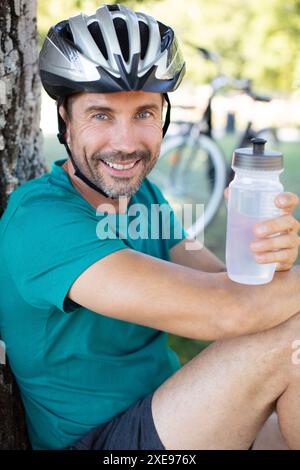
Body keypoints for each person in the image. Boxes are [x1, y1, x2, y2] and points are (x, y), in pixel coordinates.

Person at [0, 3, 300, 451]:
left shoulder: (143, 198)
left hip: (178, 415)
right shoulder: (40, 221)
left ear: (164, 115)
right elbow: (230, 311)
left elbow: (229, 286)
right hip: (103, 444)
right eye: (101, 115)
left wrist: (266, 251)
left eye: (143, 113)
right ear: (65, 119)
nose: (125, 144)